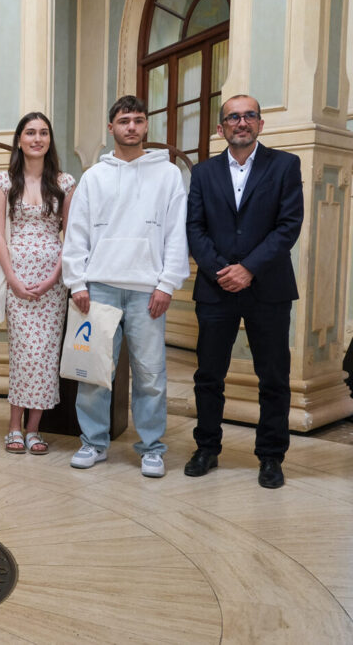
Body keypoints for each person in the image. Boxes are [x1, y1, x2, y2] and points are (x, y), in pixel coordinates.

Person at [62, 95, 189, 478]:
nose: (131, 126)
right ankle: (93, 442)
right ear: (111, 127)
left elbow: (175, 233)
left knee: (150, 373)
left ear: (146, 125)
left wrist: (167, 284)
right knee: (94, 370)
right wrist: (76, 281)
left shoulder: (167, 175)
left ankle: (152, 448)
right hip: (98, 286)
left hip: (147, 289)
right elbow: (77, 232)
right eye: (123, 120)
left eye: (137, 120)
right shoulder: (94, 177)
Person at [184, 94, 303, 489]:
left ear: (260, 124)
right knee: (208, 375)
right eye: (233, 117)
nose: (241, 122)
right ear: (221, 129)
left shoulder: (285, 165)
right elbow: (194, 229)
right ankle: (207, 448)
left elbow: (288, 226)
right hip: (216, 289)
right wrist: (224, 271)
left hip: (268, 287)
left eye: (249, 115)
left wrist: (249, 268)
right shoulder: (202, 173)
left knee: (273, 377)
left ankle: (271, 456)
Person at [0, 112, 74, 455]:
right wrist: (11, 277)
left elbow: (70, 235)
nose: (37, 138)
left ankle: (34, 430)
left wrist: (56, 275)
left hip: (53, 282)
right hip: (17, 278)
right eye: (30, 133)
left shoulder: (66, 182)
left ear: (49, 140)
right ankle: (14, 427)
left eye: (43, 133)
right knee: (24, 353)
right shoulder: (3, 182)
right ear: (20, 140)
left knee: (46, 355)